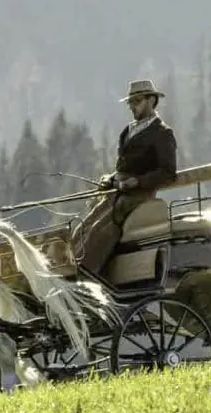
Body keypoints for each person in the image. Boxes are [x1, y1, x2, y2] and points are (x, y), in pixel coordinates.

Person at [72, 78, 181, 278]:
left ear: (151, 100)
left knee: (101, 228)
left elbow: (168, 172)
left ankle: (87, 272)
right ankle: (71, 264)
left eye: (137, 101)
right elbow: (123, 166)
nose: (132, 107)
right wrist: (111, 178)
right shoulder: (128, 131)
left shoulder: (162, 133)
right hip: (119, 190)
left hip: (140, 194)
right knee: (84, 225)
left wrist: (139, 182)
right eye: (130, 102)